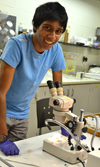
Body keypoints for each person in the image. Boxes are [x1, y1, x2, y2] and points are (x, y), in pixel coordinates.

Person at [0, 2, 68, 155]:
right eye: (48, 28)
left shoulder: (56, 50)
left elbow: (59, 94)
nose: (53, 36)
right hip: (2, 111)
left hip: (22, 115)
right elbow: (0, 93)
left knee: (15, 159)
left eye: (58, 31)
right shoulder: (16, 45)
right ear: (36, 26)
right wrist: (2, 137)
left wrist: (65, 124)